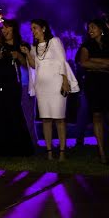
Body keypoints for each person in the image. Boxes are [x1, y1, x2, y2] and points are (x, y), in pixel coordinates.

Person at [27, 19, 75, 161]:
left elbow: (62, 61)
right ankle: (49, 152)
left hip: (56, 85)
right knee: (46, 119)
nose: (33, 31)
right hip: (41, 87)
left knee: (59, 119)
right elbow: (34, 66)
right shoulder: (34, 47)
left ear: (44, 28)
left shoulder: (54, 41)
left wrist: (65, 81)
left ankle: (62, 152)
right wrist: (27, 53)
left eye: (35, 28)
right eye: (32, 29)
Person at [76, 19, 109, 164]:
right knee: (96, 116)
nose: (90, 30)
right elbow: (84, 63)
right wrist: (106, 64)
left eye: (93, 27)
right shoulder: (86, 45)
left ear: (101, 28)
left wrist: (95, 61)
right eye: (88, 27)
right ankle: (102, 153)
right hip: (93, 83)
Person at [0, 19, 34, 156]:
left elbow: (27, 65)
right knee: (0, 114)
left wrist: (18, 55)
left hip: (14, 84)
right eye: (3, 28)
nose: (4, 30)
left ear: (14, 29)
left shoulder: (21, 45)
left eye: (7, 28)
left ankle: (18, 148)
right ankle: (1, 148)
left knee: (14, 113)